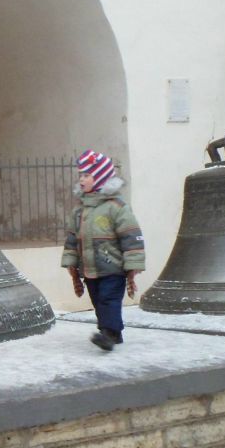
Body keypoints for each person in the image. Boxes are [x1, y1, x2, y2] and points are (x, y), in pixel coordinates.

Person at [61, 149, 145, 351]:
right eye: (81, 175)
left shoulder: (116, 207)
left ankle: (108, 334)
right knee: (99, 301)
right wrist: (71, 262)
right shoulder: (79, 210)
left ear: (100, 178)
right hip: (90, 269)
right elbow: (72, 238)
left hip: (112, 267)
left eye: (87, 175)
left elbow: (131, 235)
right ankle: (112, 332)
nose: (82, 179)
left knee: (109, 299)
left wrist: (133, 264)